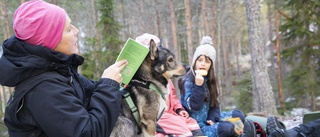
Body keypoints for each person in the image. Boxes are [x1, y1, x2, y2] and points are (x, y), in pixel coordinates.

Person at [0, 0, 128, 136]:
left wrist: (116, 84)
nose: (76, 31)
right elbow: (88, 133)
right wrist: (109, 85)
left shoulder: (58, 70)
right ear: (50, 40)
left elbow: (93, 93)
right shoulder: (44, 90)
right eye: (68, 29)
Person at [178, 36, 256, 137]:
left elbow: (215, 104)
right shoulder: (187, 82)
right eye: (200, 60)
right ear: (194, 62)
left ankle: (247, 131)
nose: (203, 64)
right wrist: (199, 85)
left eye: (207, 61)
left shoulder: (209, 80)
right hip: (197, 127)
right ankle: (243, 133)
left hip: (208, 119)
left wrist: (212, 118)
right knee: (228, 128)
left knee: (238, 114)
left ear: (211, 65)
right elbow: (194, 107)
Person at [135, 33, 204, 136]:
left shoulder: (167, 79)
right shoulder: (141, 84)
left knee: (192, 123)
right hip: (159, 117)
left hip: (171, 114)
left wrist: (179, 109)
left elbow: (173, 97)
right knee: (183, 130)